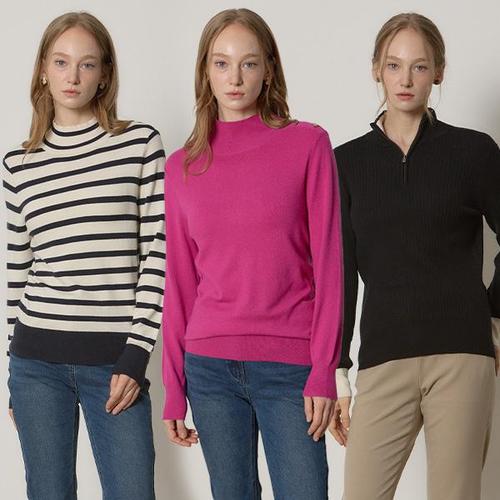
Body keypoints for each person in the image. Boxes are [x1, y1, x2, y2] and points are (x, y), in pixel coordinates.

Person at [162, 8, 343, 500]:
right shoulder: (182, 167)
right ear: (205, 71)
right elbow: (180, 284)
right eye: (221, 63)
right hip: (209, 366)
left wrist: (324, 371)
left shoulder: (307, 145)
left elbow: (331, 269)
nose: (235, 78)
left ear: (268, 69)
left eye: (248, 63)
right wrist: (174, 387)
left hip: (291, 365)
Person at [329, 12, 500, 500]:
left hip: (460, 355)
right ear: (376, 70)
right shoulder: (346, 163)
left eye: (419, 66)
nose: (405, 79)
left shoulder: (474, 152)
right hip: (383, 359)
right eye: (394, 65)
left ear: (438, 72)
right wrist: (337, 370)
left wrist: (494, 317)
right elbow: (340, 272)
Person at [3, 12, 165, 500]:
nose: (72, 76)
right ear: (43, 70)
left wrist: (135, 355)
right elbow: (17, 271)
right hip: (35, 364)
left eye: (87, 64)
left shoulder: (138, 144)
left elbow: (158, 255)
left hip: (114, 361)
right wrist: (12, 368)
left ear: (104, 74)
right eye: (61, 62)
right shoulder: (18, 165)